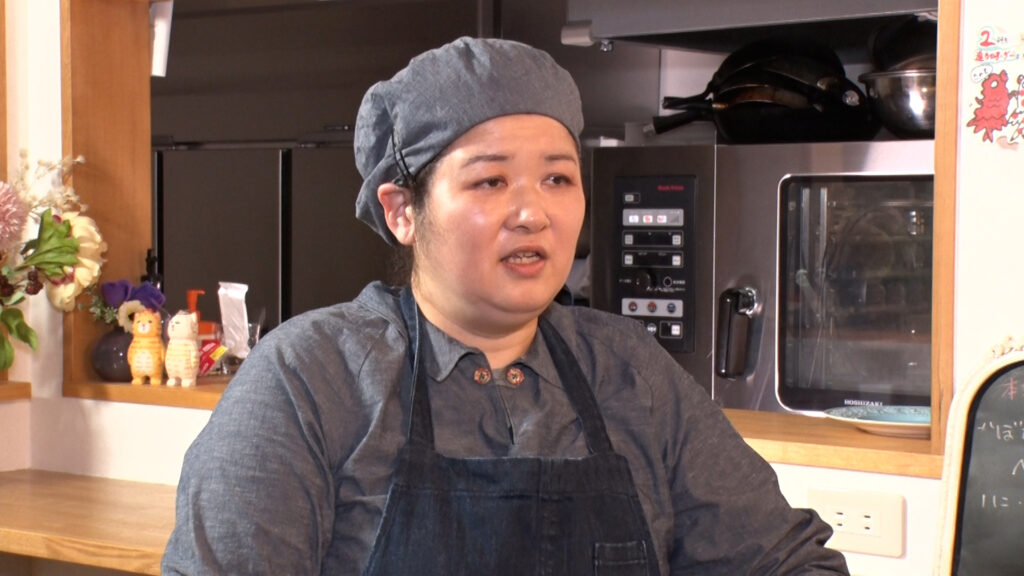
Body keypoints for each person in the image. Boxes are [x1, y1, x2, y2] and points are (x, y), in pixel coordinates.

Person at [162, 36, 850, 575]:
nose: (532, 213)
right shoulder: (308, 381)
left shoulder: (629, 371)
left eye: (558, 178)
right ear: (402, 211)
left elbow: (786, 564)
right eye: (490, 181)